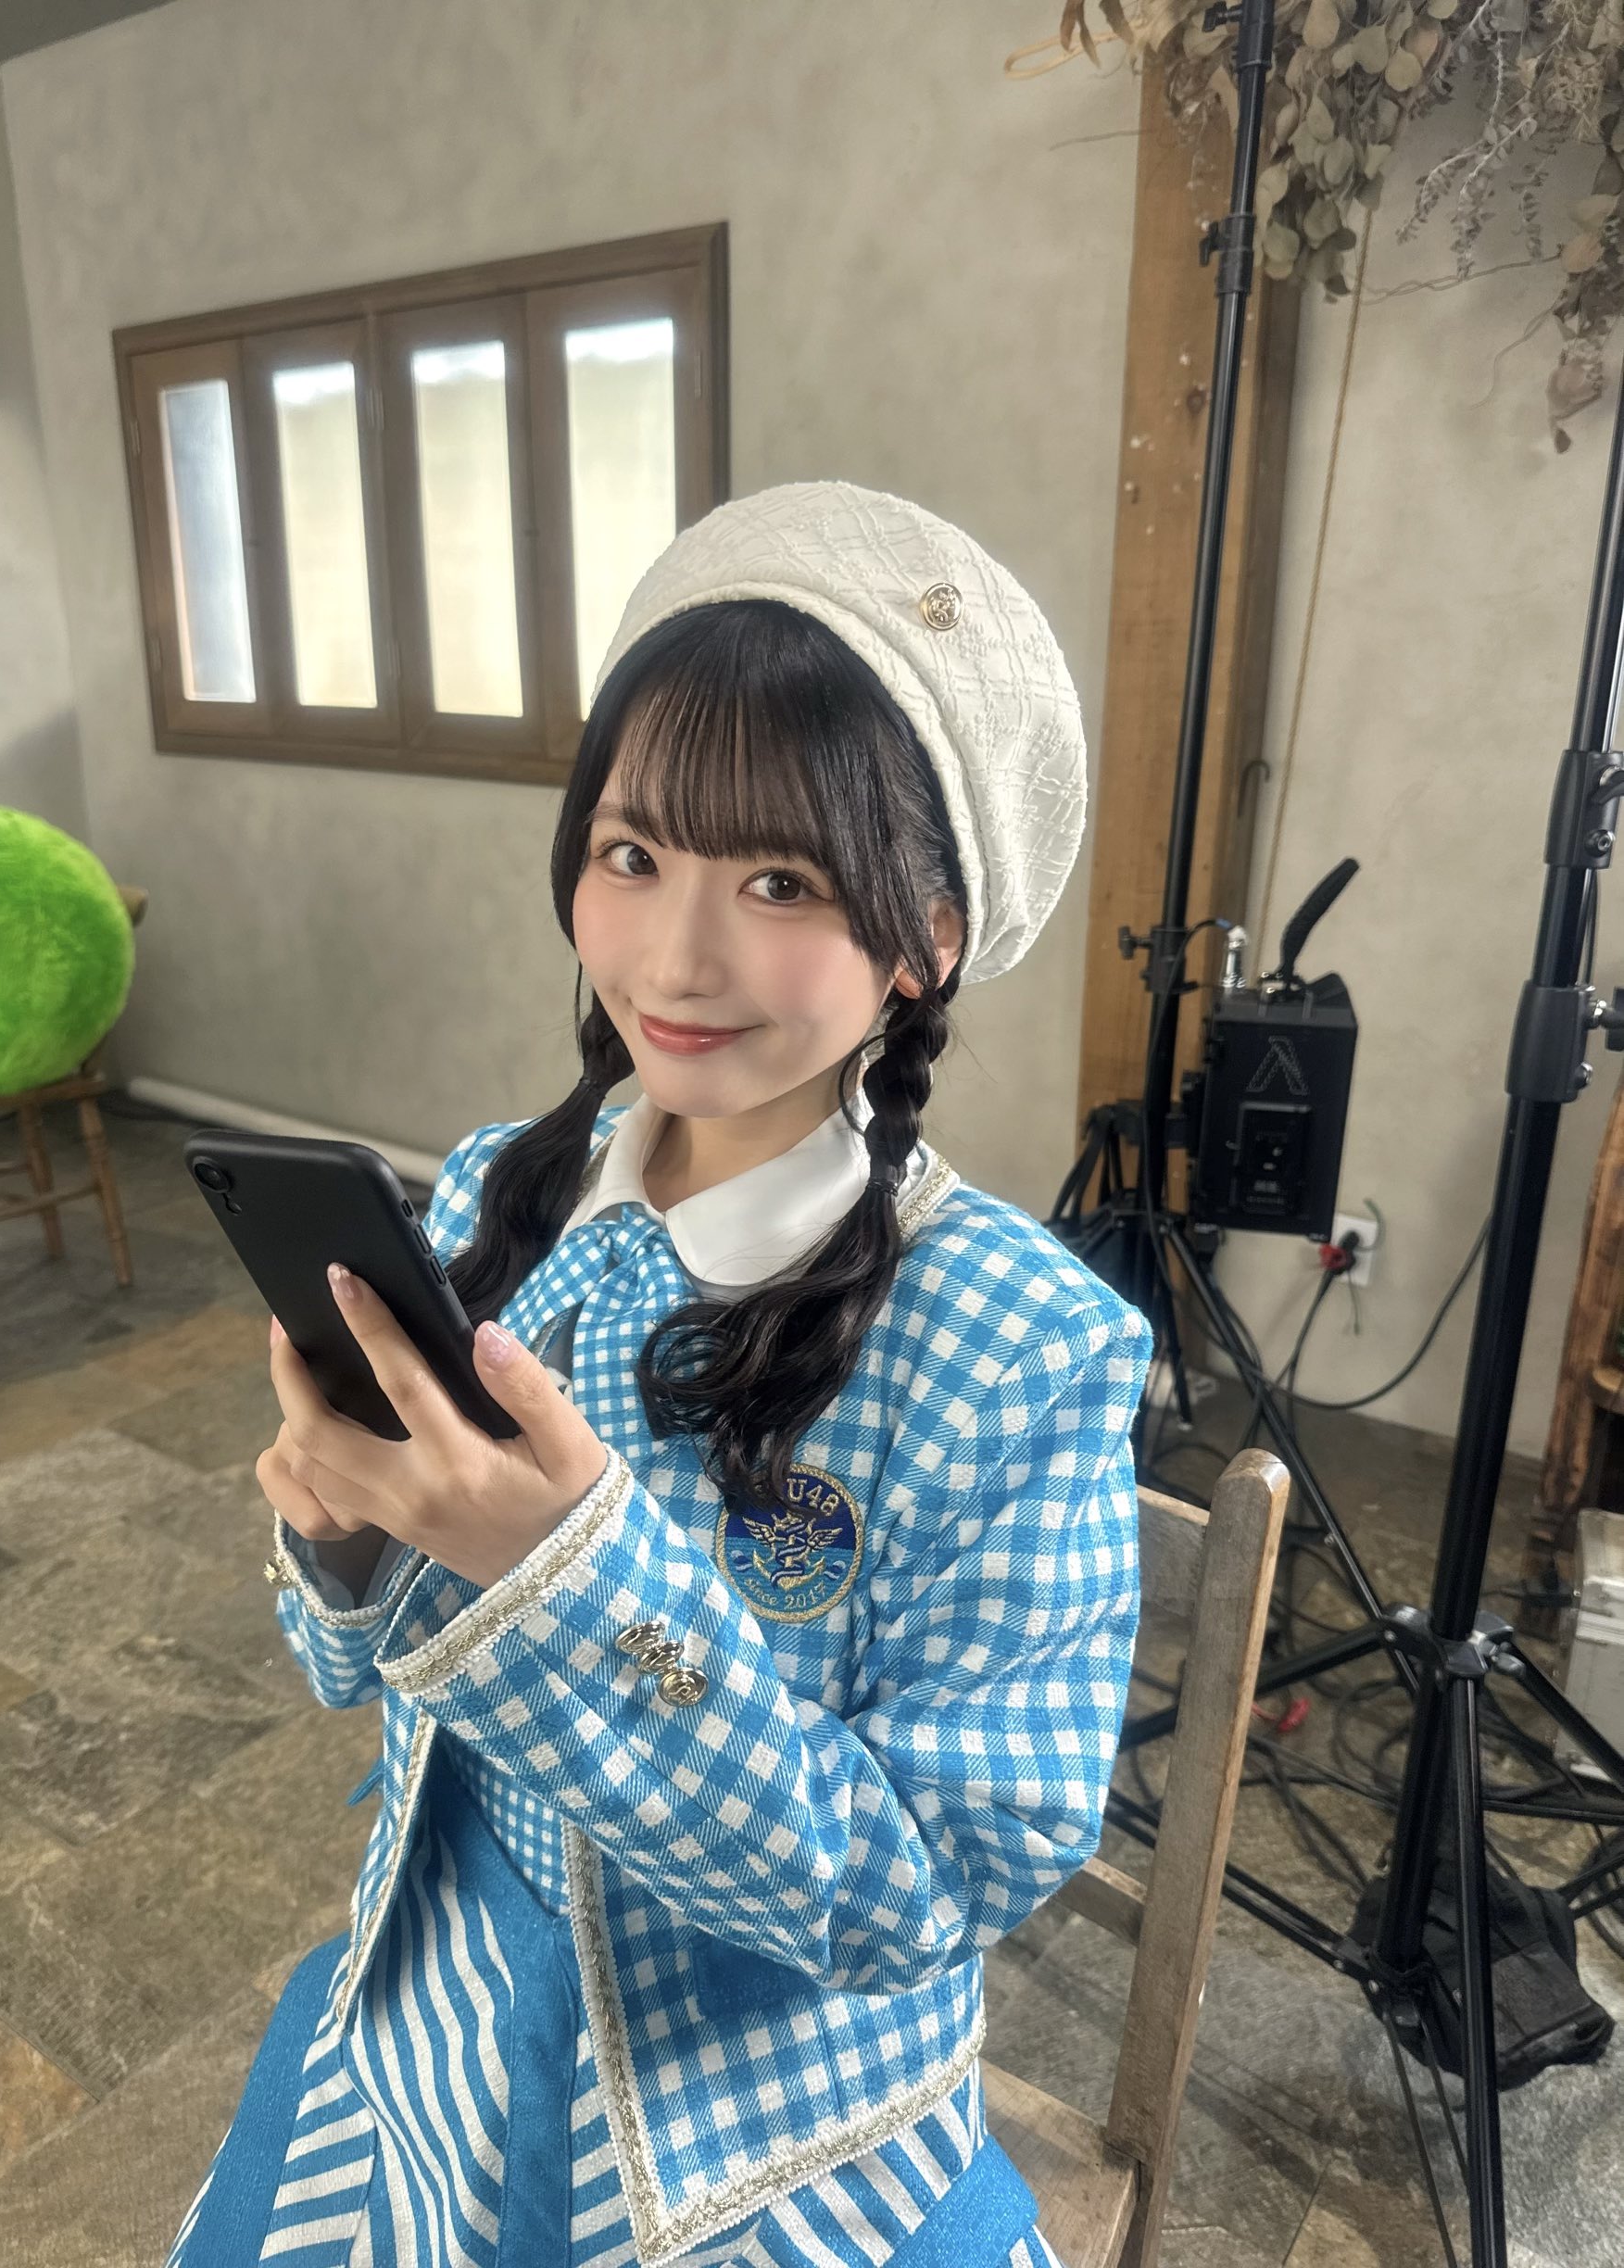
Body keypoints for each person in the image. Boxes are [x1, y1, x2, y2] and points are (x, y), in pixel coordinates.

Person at [164, 480, 1152, 2268]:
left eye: (781, 882)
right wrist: (345, 1535)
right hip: (436, 2019)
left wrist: (560, 1578)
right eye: (631, 856)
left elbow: (921, 1892)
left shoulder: (1022, 1346)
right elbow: (348, 1676)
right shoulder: (499, 1196)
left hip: (775, 2131)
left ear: (927, 936)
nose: (675, 958)